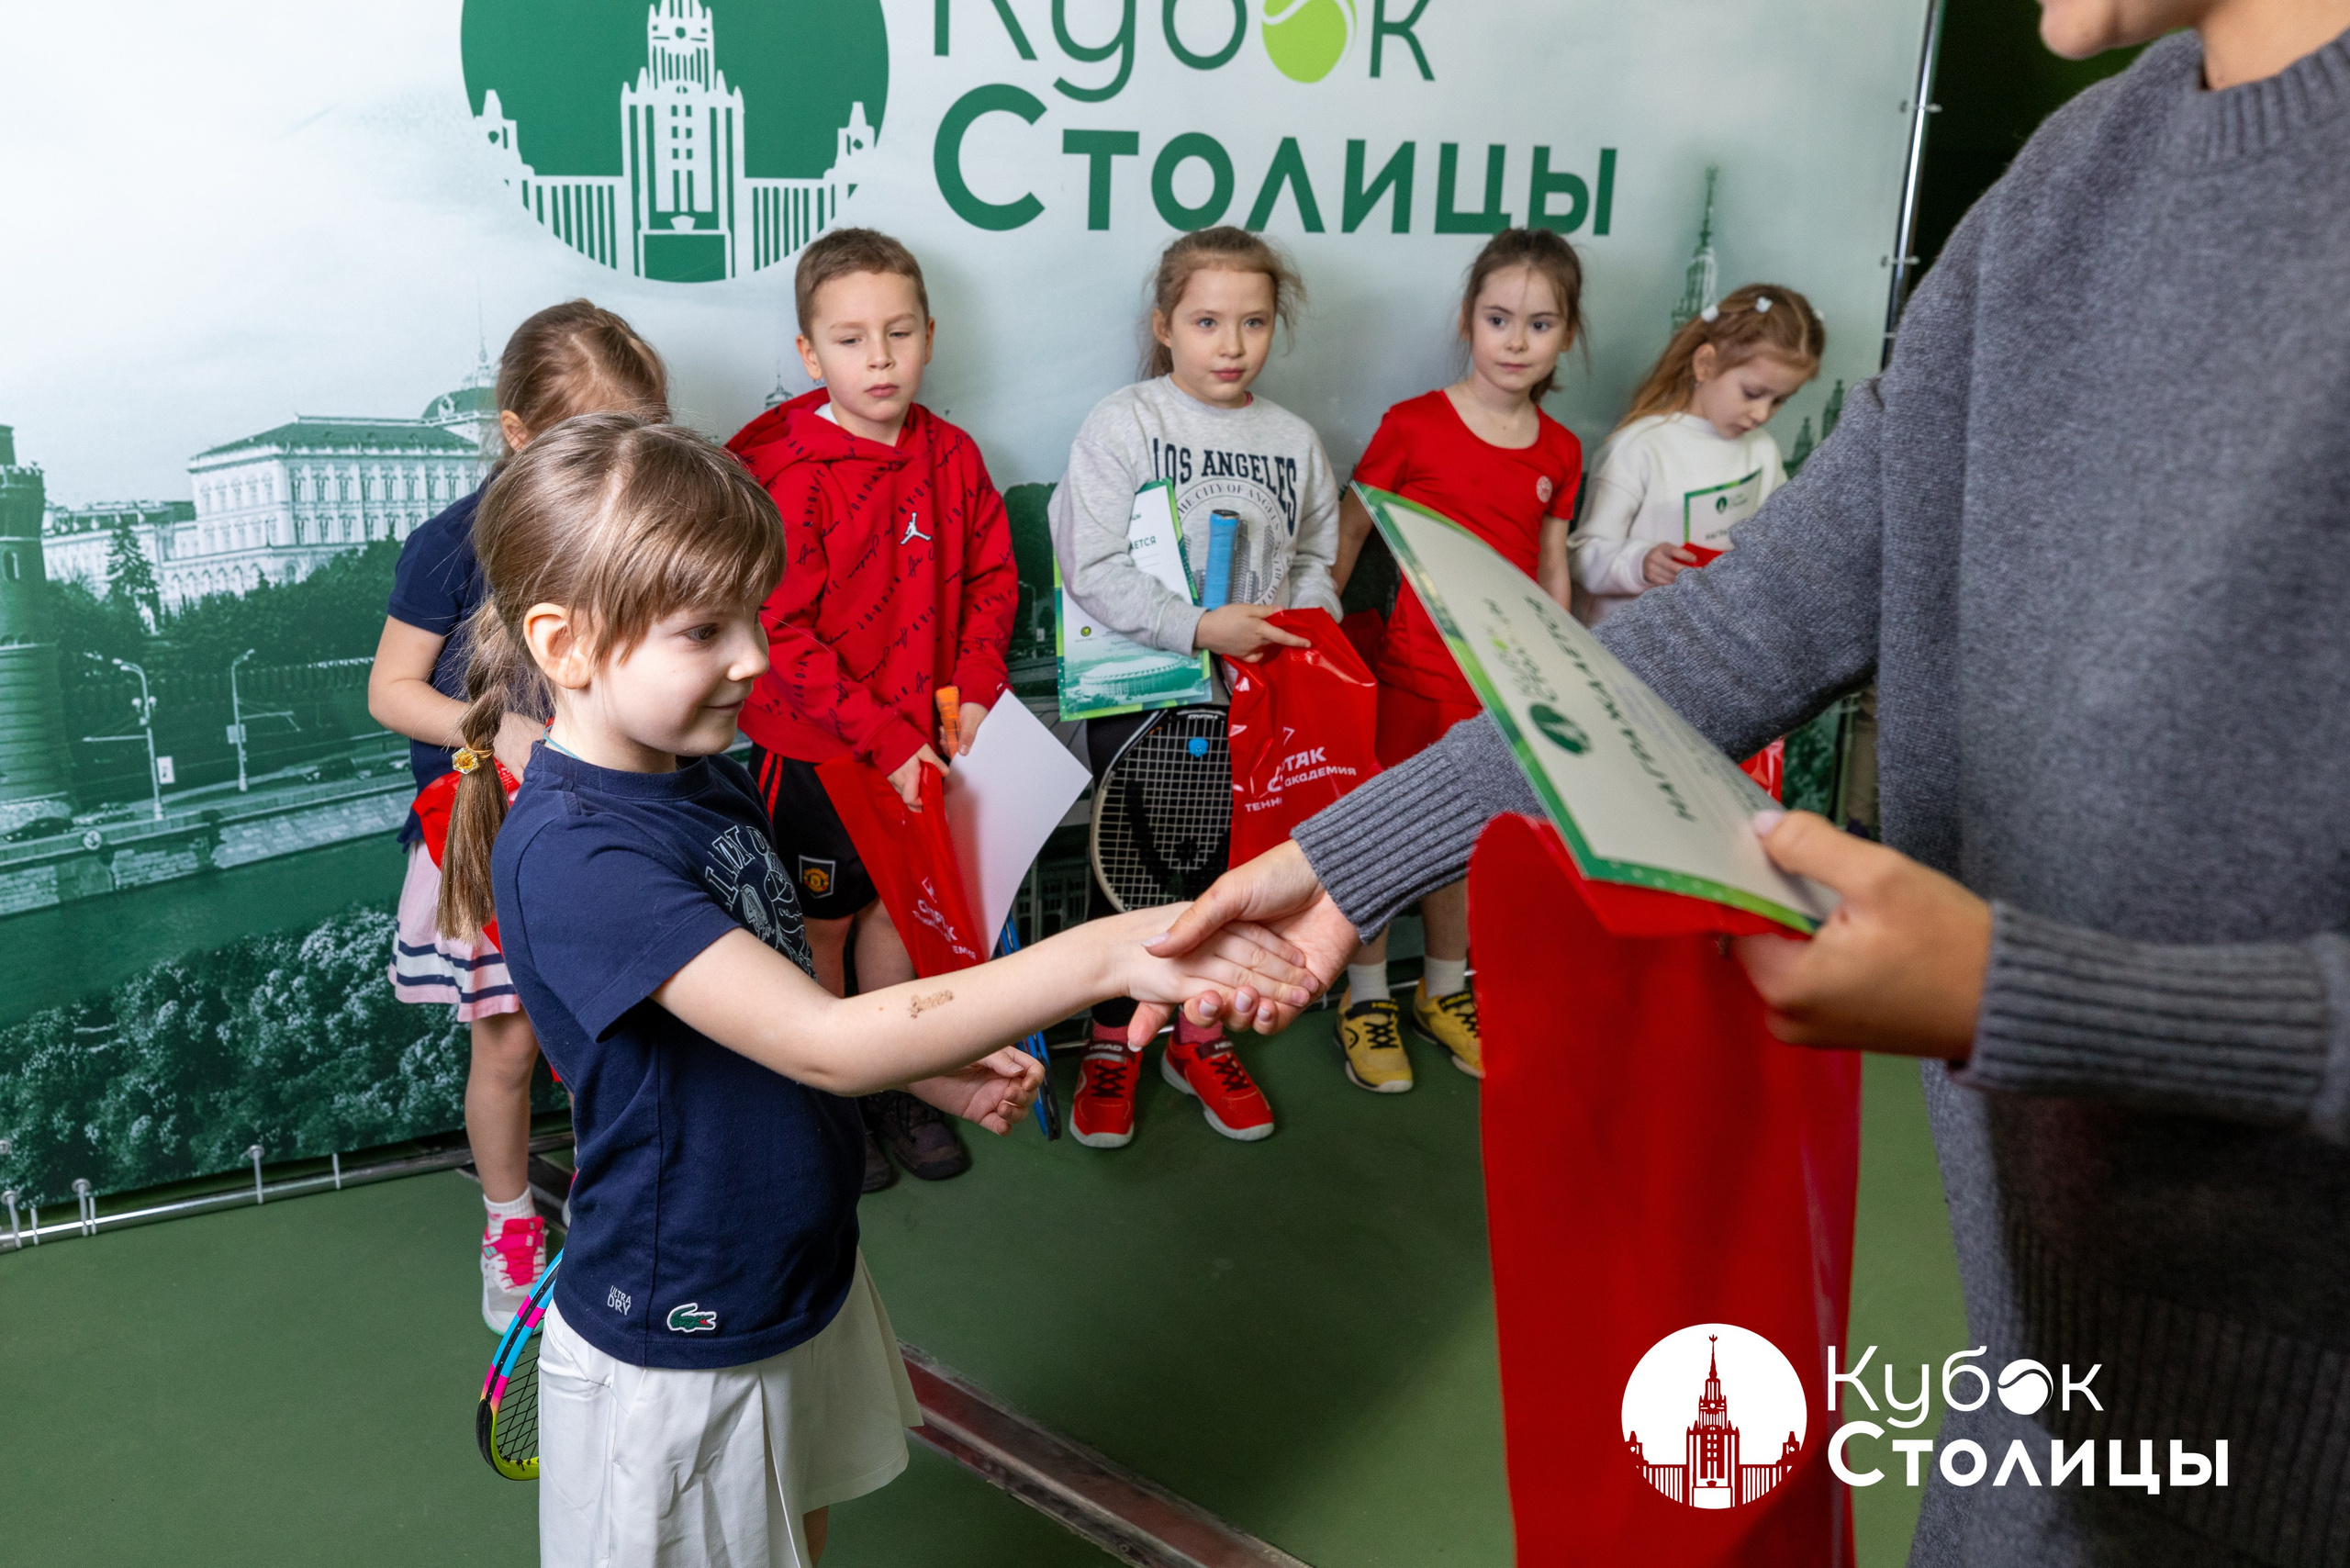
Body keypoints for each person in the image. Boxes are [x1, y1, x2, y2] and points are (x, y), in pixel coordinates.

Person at [1147, 5, 2350, 1562]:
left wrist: (2026, 995)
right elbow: (1760, 612)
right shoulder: (2072, 181)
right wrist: (1358, 848)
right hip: (2046, 1371)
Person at [434, 413, 1307, 1567]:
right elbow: (821, 1040)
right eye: (706, 629)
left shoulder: (702, 776)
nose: (753, 655)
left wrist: (932, 1063)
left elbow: (775, 997)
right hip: (687, 1321)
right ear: (566, 643)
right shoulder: (581, 855)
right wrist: (1105, 951)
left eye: (754, 612)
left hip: (799, 1267)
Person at [364, 298, 666, 1332]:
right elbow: (391, 690)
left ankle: (617, 1218)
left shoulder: (627, 533)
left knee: (617, 1037)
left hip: (603, 831)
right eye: (592, 442)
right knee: (506, 1047)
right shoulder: (448, 545)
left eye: (637, 441)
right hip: (488, 831)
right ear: (517, 434)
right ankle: (508, 1231)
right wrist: (495, 730)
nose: (617, 464)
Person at [726, 229, 1018, 1190]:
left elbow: (988, 580)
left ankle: (896, 1076)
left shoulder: (955, 454)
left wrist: (975, 687)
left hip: (924, 751)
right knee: (820, 935)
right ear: (810, 356)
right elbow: (781, 632)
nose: (880, 357)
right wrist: (886, 737)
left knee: (900, 915)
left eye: (898, 332)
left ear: (930, 335)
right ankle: (830, 1099)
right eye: (851, 339)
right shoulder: (790, 473)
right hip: (817, 752)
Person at [1048, 226, 1343, 1148]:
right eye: (1208, 320)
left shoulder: (1293, 440)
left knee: (1224, 881)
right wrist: (1202, 629)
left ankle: (1197, 1035)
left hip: (1252, 712)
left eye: (1253, 322)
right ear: (1164, 325)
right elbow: (1089, 563)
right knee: (1130, 883)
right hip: (1140, 703)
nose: (1231, 343)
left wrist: (1285, 633)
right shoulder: (1123, 423)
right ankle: (1111, 1045)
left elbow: (1311, 561)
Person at [1324, 228, 1585, 1093]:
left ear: (1567, 335)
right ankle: (1364, 1001)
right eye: (1498, 318)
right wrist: (1321, 630)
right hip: (1407, 681)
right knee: (1379, 840)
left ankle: (1444, 993)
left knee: (1466, 848)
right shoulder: (1413, 426)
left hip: (1498, 693)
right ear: (1467, 321)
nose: (1516, 341)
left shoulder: (1560, 451)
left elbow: (1553, 570)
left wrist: (1552, 675)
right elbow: (1351, 533)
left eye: (1540, 324)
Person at [1566, 282, 1822, 626]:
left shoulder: (1763, 450)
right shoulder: (1639, 448)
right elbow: (1580, 556)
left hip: (1711, 638)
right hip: (1627, 646)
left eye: (1778, 401)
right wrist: (1641, 563)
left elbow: (1775, 541)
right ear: (1705, 364)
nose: (1762, 414)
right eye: (1752, 393)